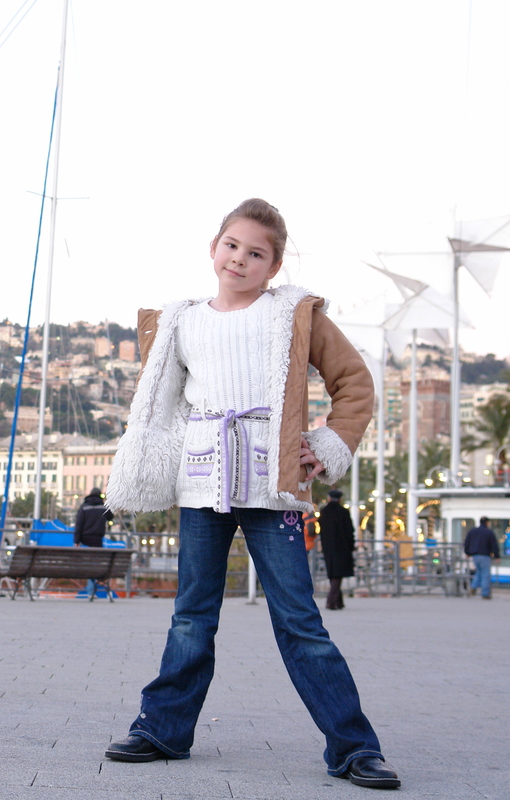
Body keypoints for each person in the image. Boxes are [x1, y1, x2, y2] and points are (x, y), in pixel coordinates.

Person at [100, 199, 399, 789]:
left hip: (275, 485)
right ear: (213, 247)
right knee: (191, 615)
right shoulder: (180, 321)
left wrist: (329, 443)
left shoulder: (294, 315)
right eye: (232, 245)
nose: (240, 258)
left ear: (274, 265)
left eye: (255, 252)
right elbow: (161, 405)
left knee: (299, 619)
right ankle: (162, 729)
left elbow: (354, 382)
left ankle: (354, 747)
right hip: (201, 481)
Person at [318, 489, 355, 610]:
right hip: (342, 547)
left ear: (329, 498)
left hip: (328, 546)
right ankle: (331, 601)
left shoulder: (324, 512)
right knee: (337, 574)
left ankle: (339, 602)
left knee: (332, 572)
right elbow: (349, 530)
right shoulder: (343, 512)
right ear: (340, 499)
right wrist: (351, 546)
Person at [74, 487, 114, 599]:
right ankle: (92, 591)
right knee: (95, 564)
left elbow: (78, 525)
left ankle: (90, 591)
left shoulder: (84, 507)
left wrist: (76, 541)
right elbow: (110, 517)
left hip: (85, 539)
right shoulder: (103, 507)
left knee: (88, 565)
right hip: (97, 540)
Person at [462, 516, 499, 600]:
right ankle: (485, 593)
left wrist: (467, 552)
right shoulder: (489, 532)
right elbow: (494, 544)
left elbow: (467, 541)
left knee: (478, 572)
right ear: (487, 522)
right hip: (485, 555)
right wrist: (496, 555)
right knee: (485, 574)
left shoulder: (473, 531)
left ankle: (473, 587)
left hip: (475, 555)